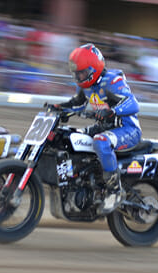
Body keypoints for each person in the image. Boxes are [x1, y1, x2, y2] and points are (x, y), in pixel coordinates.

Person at [51, 43, 141, 213]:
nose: (78, 76)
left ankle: (114, 190)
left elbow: (133, 104)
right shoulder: (85, 85)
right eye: (76, 73)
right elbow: (77, 104)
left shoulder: (112, 81)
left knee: (101, 142)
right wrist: (59, 107)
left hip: (127, 129)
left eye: (82, 72)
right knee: (69, 137)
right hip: (103, 127)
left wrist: (112, 111)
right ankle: (82, 181)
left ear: (94, 68)